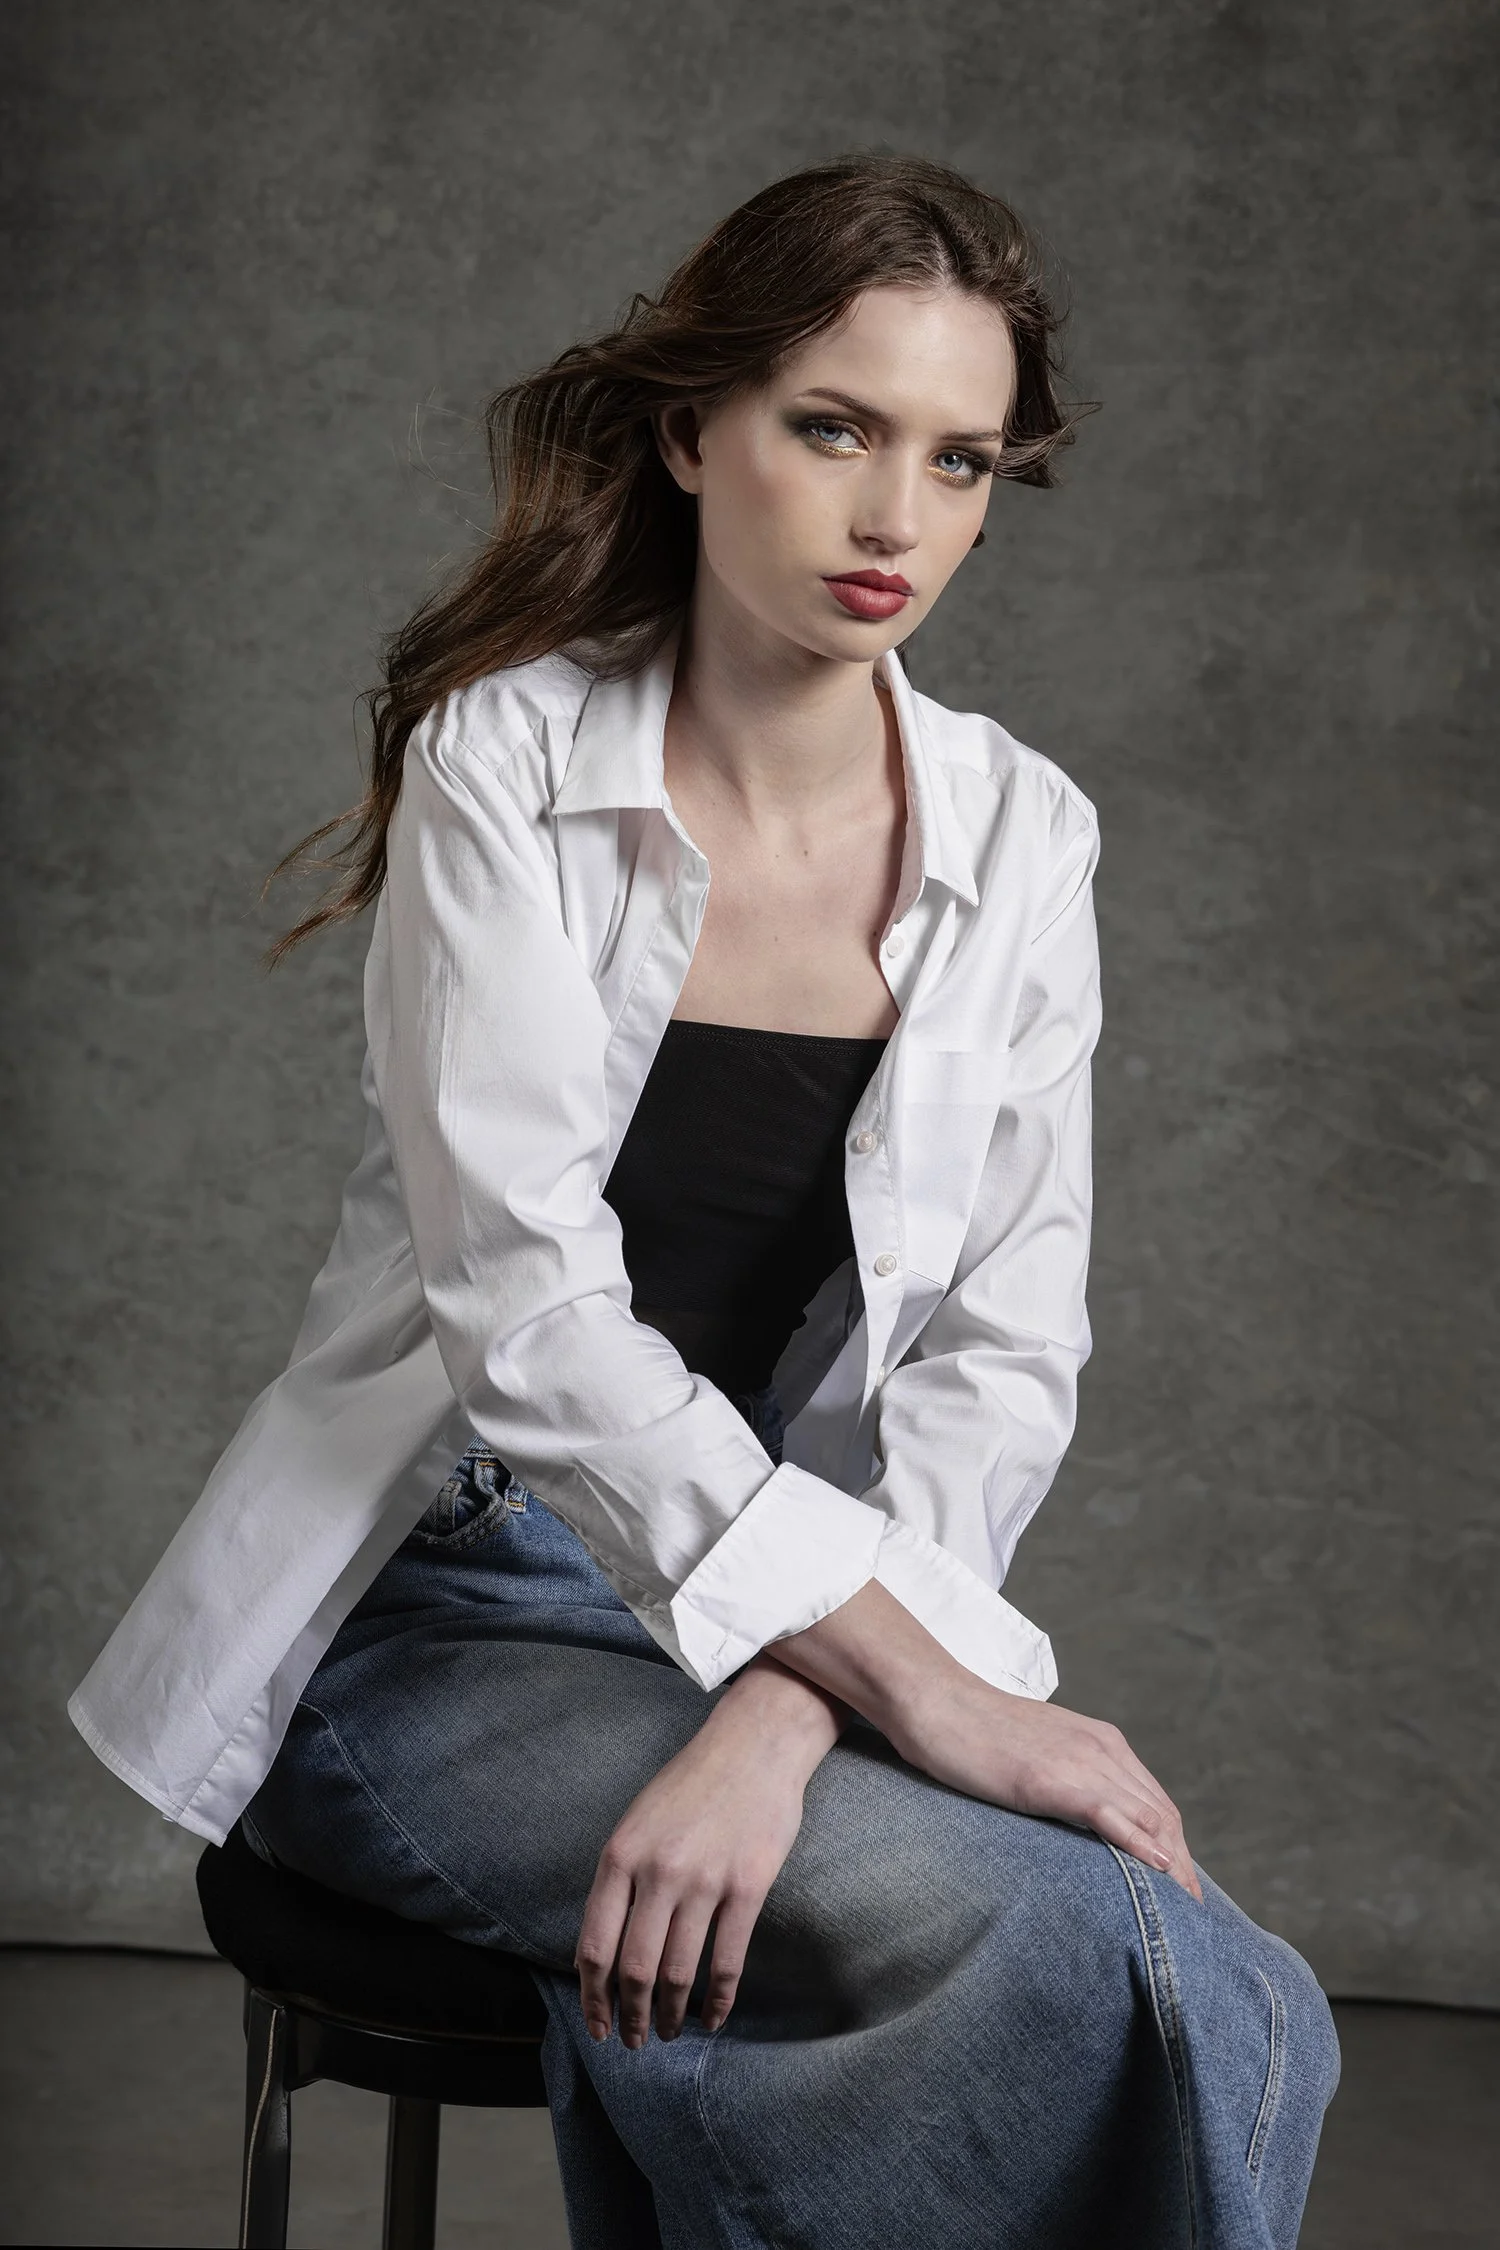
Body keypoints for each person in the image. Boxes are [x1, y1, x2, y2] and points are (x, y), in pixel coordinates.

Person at [70, 154, 1339, 2246]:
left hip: (795, 1619)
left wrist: (784, 1703)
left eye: (960, 460)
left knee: (1206, 1964)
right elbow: (531, 1320)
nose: (893, 521)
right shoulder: (509, 764)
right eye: (830, 428)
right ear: (689, 432)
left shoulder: (1028, 836)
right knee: (1090, 1946)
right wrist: (915, 1690)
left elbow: (1002, 1355)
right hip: (441, 1615)